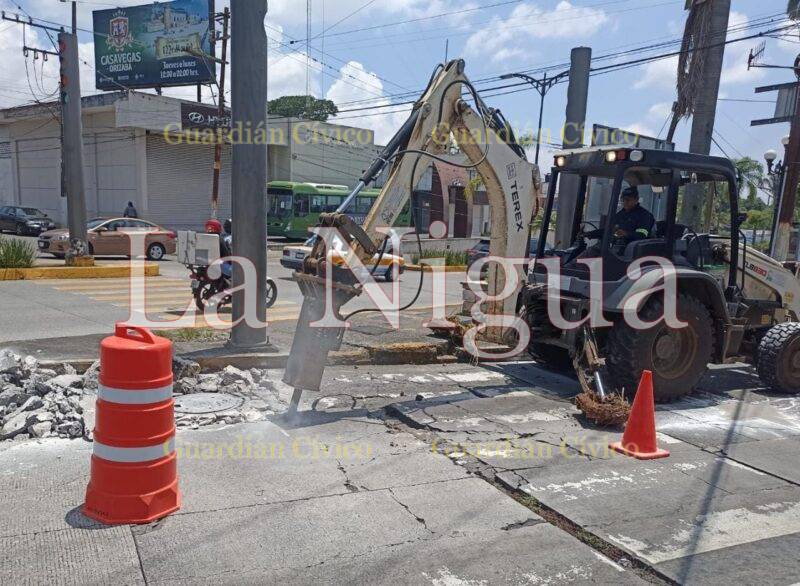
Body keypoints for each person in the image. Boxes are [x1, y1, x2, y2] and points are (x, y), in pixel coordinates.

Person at [585, 186, 655, 245]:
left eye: (628, 200)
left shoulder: (644, 215)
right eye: (623, 200)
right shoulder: (620, 215)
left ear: (636, 200)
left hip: (630, 251)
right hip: (614, 247)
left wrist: (626, 234)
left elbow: (642, 235)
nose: (625, 202)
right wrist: (590, 234)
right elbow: (608, 231)